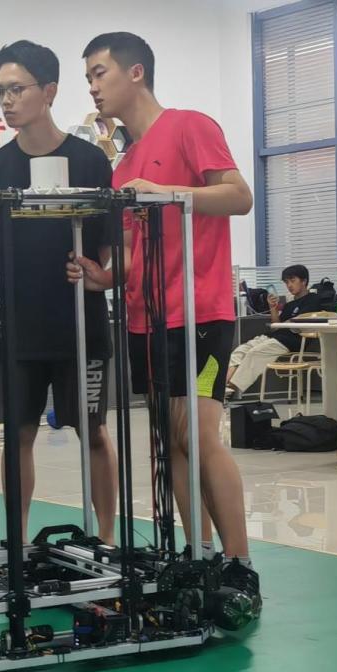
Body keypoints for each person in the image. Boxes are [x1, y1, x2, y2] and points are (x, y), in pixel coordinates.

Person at [70, 32, 261, 630]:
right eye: (88, 77)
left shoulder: (188, 126)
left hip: (201, 315)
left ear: (136, 72)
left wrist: (169, 193)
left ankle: (240, 565)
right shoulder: (123, 166)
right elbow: (130, 253)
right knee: (169, 444)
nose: (93, 86)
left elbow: (239, 196)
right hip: (144, 319)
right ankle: (198, 560)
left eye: (100, 73)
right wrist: (105, 277)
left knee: (196, 436)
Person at [0, 40, 118, 545]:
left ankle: (106, 538)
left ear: (49, 91)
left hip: (80, 321)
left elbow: (107, 247)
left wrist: (97, 273)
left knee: (93, 432)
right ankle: (16, 542)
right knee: (18, 436)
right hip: (18, 325)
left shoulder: (90, 162)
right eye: (0, 91)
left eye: (17, 89)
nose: (7, 100)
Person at [226, 264, 320, 398]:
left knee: (254, 353)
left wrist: (287, 323)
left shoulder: (313, 299)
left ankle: (230, 390)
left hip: (290, 341)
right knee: (240, 350)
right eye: (286, 282)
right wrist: (273, 308)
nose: (289, 285)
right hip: (274, 337)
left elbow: (300, 321)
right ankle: (222, 387)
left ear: (304, 281)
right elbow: (277, 325)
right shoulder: (289, 304)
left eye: (292, 281)